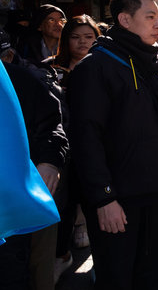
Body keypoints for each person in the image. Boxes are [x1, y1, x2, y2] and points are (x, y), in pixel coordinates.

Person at [67, 0, 158, 289]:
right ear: (125, 20)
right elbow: (85, 138)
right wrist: (103, 197)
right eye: (150, 16)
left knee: (154, 276)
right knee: (117, 278)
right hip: (119, 203)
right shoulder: (96, 68)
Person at [0, 59, 68, 290]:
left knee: (24, 274)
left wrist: (50, 162)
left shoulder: (16, 78)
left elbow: (52, 124)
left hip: (19, 206)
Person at [47, 15, 101, 282]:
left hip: (96, 146)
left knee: (95, 201)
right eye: (75, 37)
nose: (81, 42)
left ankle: (99, 260)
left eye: (88, 37)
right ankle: (61, 254)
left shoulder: (105, 69)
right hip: (64, 147)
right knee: (63, 203)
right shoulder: (52, 69)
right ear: (66, 40)